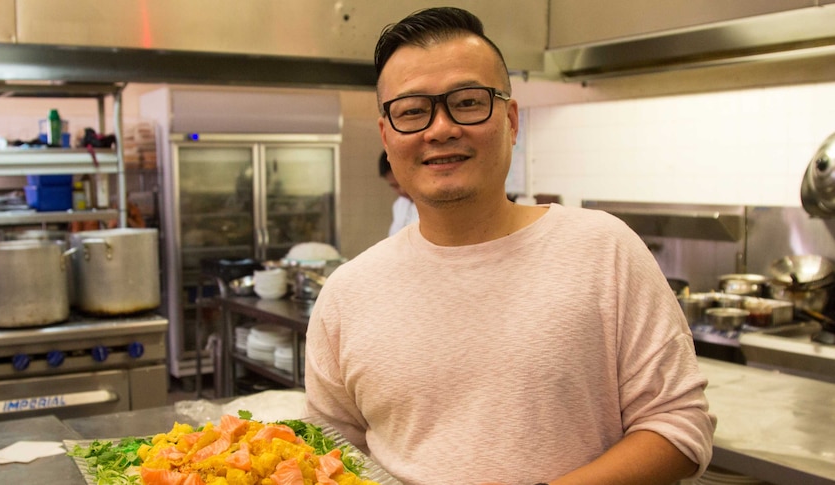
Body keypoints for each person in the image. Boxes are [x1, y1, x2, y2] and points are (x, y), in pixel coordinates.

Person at [305, 7, 715, 485]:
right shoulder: (348, 293)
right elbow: (327, 456)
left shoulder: (604, 249)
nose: (440, 129)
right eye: (412, 111)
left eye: (468, 101)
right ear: (387, 135)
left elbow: (680, 427)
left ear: (511, 120)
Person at [378, 150, 419, 236]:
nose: (402, 190)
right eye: (395, 186)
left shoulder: (432, 204)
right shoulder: (399, 205)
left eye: (402, 183)